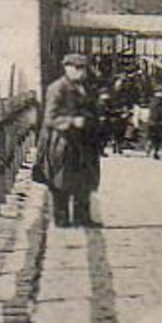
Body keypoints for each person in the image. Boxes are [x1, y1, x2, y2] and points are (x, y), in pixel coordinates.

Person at [38, 53, 103, 228]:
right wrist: (71, 121)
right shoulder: (57, 88)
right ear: (67, 68)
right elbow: (49, 118)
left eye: (83, 68)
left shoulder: (87, 88)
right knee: (62, 179)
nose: (81, 72)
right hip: (63, 141)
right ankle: (61, 218)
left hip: (84, 141)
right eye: (77, 68)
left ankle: (83, 217)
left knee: (85, 179)